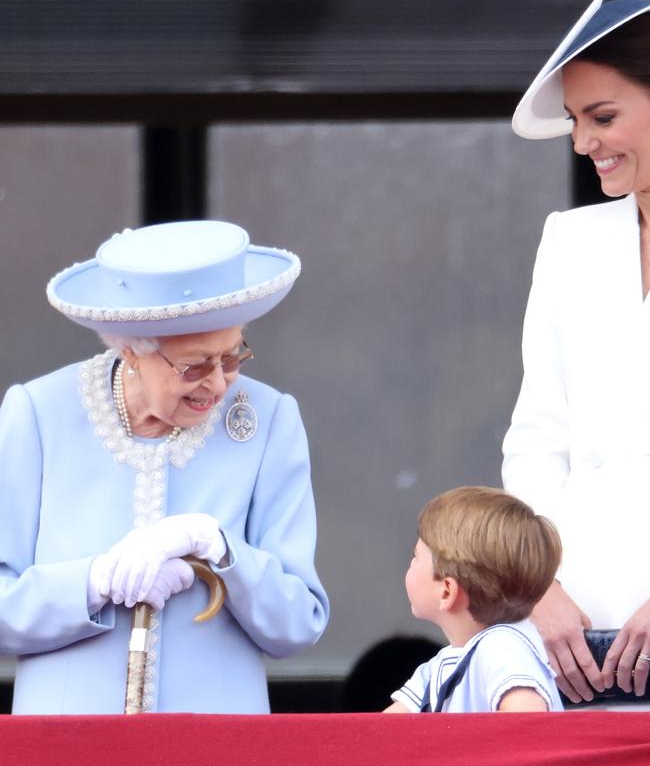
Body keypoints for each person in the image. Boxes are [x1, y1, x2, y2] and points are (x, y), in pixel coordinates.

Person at [0, 219, 329, 713]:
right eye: (194, 366)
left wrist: (219, 549)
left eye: (233, 356)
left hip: (215, 749)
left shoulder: (269, 420)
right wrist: (94, 582)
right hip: (65, 747)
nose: (218, 385)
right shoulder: (39, 413)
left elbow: (298, 623)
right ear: (131, 350)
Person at [503, 0, 650, 705]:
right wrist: (538, 588)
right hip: (575, 643)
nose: (583, 142)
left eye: (603, 117)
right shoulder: (571, 240)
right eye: (574, 121)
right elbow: (537, 437)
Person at [385, 486, 563, 713]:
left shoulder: (502, 647)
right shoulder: (439, 666)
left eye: (415, 556)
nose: (410, 563)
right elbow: (383, 731)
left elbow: (527, 716)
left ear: (447, 592)